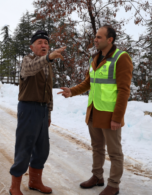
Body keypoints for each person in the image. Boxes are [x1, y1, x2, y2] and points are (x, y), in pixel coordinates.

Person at [57, 25, 133, 195]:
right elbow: (88, 83)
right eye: (95, 37)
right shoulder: (95, 58)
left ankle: (113, 185)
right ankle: (97, 177)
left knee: (114, 152)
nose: (95, 40)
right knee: (97, 147)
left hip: (110, 114)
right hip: (94, 111)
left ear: (110, 40)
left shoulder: (121, 58)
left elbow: (124, 90)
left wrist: (117, 117)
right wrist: (72, 91)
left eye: (99, 37)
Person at [9, 30, 66, 195]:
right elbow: (31, 69)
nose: (44, 45)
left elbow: (48, 91)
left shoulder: (47, 65)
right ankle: (15, 187)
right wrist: (49, 57)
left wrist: (48, 114)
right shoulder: (28, 61)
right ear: (32, 47)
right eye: (40, 42)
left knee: (42, 148)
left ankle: (34, 182)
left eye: (46, 43)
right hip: (28, 109)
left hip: (42, 110)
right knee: (24, 148)